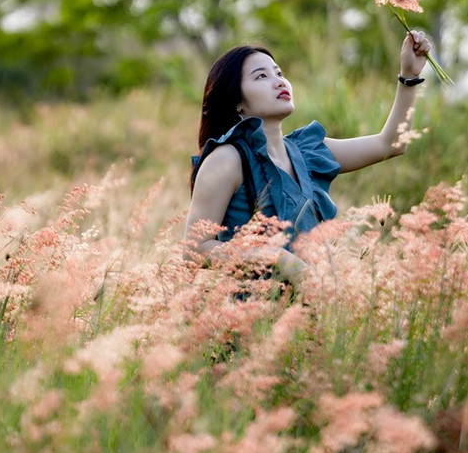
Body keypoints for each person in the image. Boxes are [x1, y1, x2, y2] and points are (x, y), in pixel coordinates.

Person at [184, 30, 432, 283]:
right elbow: (194, 249)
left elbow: (391, 144)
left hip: (314, 304)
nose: (279, 82)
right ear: (237, 102)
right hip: (252, 306)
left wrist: (409, 75)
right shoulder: (227, 159)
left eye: (279, 73)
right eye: (261, 76)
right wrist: (277, 258)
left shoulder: (307, 151)